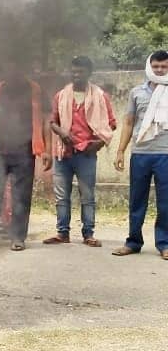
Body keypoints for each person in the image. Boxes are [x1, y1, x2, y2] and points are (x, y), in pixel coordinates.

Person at [0, 64, 50, 251]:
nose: (12, 72)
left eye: (16, 68)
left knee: (21, 196)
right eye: (8, 68)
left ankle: (18, 237)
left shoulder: (35, 90)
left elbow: (45, 122)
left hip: (24, 151)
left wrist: (46, 150)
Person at [44, 56, 115, 248]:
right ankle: (62, 233)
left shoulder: (101, 96)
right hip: (64, 153)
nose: (76, 75)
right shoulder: (60, 96)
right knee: (61, 196)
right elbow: (52, 121)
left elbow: (111, 124)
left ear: (89, 73)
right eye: (73, 71)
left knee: (87, 196)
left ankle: (88, 234)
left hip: (87, 154)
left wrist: (99, 143)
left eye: (80, 71)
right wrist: (62, 134)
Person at [113, 50, 168, 259]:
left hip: (165, 154)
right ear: (150, 66)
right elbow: (128, 122)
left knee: (166, 202)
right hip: (140, 153)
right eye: (156, 66)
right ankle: (133, 242)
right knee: (137, 200)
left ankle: (164, 244)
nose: (160, 70)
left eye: (164, 66)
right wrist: (120, 151)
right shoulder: (137, 92)